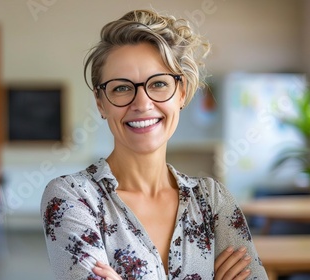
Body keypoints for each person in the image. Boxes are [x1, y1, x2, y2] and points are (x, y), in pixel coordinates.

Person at [40, 9, 268, 280]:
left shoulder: (213, 201)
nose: (142, 103)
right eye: (122, 88)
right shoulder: (73, 198)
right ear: (101, 103)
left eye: (158, 83)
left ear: (181, 93)